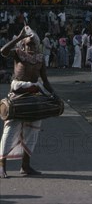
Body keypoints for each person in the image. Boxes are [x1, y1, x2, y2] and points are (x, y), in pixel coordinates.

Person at [0, 27, 56, 178]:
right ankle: (1, 165)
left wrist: (55, 95)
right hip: (17, 97)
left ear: (37, 46)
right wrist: (18, 38)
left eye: (33, 45)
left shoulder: (40, 59)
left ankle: (25, 166)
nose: (30, 47)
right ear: (23, 45)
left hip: (34, 97)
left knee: (32, 133)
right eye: (28, 45)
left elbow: (45, 81)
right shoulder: (18, 54)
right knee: (10, 132)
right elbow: (3, 51)